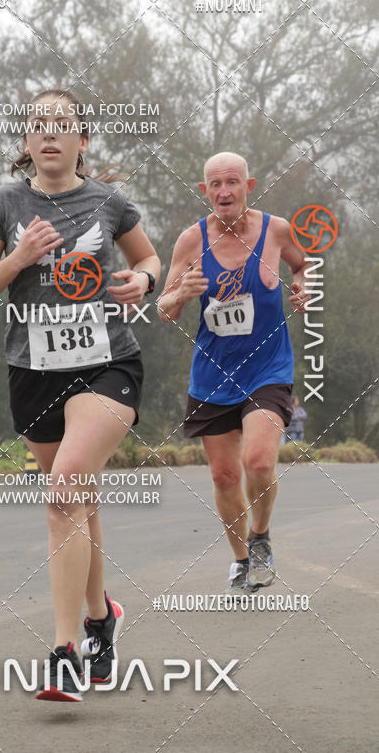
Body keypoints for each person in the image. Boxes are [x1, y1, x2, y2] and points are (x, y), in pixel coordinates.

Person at [0, 88, 160, 702]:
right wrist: (17, 257)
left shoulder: (108, 203)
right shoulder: (2, 205)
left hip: (107, 365)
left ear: (83, 139)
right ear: (26, 142)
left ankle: (65, 652)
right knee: (79, 504)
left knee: (63, 493)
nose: (49, 134)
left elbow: (149, 258)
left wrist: (144, 281)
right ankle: (102, 618)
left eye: (62, 125)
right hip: (33, 372)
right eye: (38, 125)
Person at [157, 152, 309, 597]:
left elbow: (304, 264)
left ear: (249, 185)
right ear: (205, 191)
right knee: (224, 477)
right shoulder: (190, 242)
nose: (224, 191)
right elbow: (163, 309)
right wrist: (180, 293)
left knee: (258, 460)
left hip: (268, 368)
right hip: (213, 376)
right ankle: (242, 561)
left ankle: (260, 538)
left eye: (232, 182)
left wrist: (304, 288)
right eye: (215, 184)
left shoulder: (277, 230)